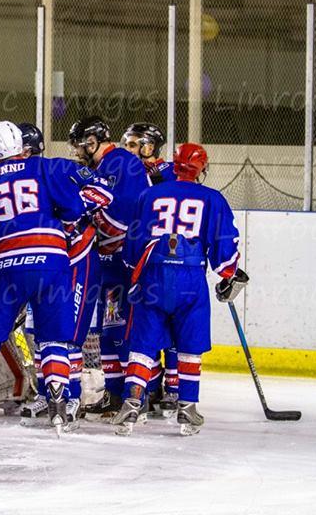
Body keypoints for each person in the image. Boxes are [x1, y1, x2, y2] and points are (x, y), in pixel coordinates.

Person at [112, 143, 245, 436]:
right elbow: (225, 247)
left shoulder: (148, 195)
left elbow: (132, 245)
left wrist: (136, 274)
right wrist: (228, 274)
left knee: (143, 345)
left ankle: (132, 405)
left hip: (153, 276)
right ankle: (187, 407)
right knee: (189, 345)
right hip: (190, 278)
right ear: (201, 169)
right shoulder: (212, 198)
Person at [0, 121, 85, 432]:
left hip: (4, 269)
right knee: (54, 338)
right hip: (51, 264)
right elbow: (73, 210)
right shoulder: (46, 168)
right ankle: (58, 404)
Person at [16, 123, 112, 430]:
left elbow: (103, 187)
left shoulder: (56, 169)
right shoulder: (14, 179)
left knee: (67, 331)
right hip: (45, 262)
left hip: (77, 260)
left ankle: (70, 394)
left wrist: (75, 210)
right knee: (39, 332)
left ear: (26, 150)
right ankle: (49, 390)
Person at [68, 116, 151, 419]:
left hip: (126, 259)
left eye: (80, 144)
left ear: (92, 141)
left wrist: (91, 219)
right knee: (108, 330)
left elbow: (125, 215)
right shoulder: (104, 166)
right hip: (109, 260)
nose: (77, 150)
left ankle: (136, 398)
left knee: (124, 330)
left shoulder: (122, 163)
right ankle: (116, 396)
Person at [122, 121, 179, 413]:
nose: (127, 150)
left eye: (133, 144)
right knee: (144, 327)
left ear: (149, 146)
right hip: (138, 259)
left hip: (167, 261)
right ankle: (151, 386)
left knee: (172, 324)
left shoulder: (169, 172)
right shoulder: (126, 172)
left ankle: (174, 387)